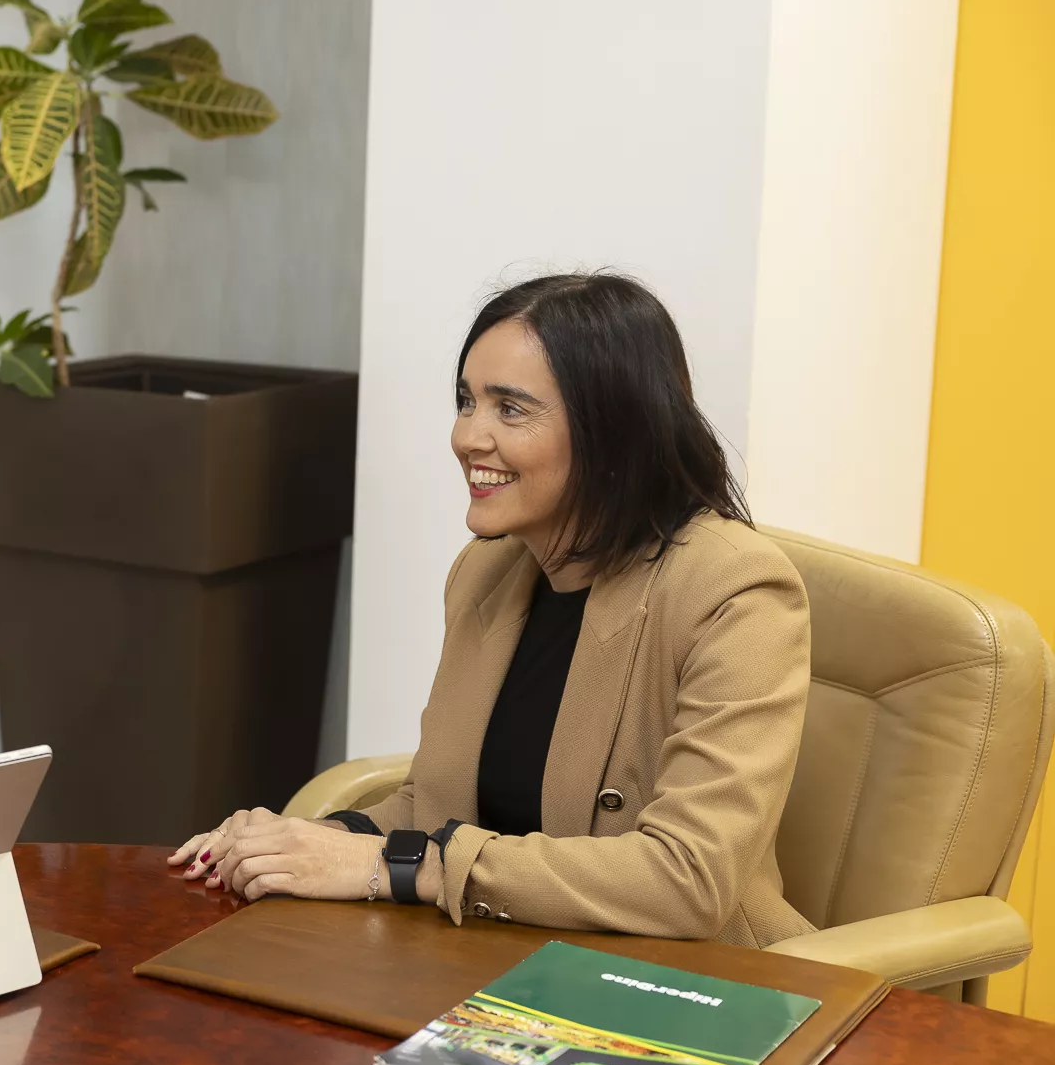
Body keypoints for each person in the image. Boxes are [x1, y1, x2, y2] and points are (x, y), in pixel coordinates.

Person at [169, 272, 814, 948]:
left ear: (612, 430)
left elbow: (688, 879)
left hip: (685, 989)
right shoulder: (488, 570)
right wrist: (299, 843)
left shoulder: (736, 590)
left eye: (510, 409)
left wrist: (397, 864)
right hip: (502, 961)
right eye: (466, 401)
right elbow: (434, 804)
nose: (467, 436)